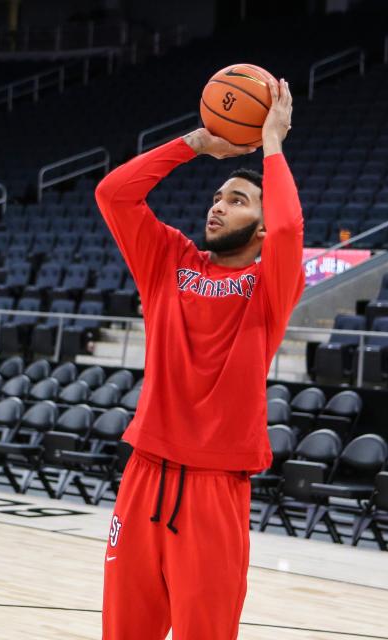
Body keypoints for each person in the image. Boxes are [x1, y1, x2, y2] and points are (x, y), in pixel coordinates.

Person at [97, 78, 301, 639]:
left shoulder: (269, 286)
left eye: (238, 200)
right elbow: (113, 195)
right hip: (143, 478)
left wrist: (273, 144)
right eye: (216, 197)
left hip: (214, 490)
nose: (218, 206)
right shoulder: (167, 260)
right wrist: (194, 144)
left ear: (259, 228)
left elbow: (288, 227)